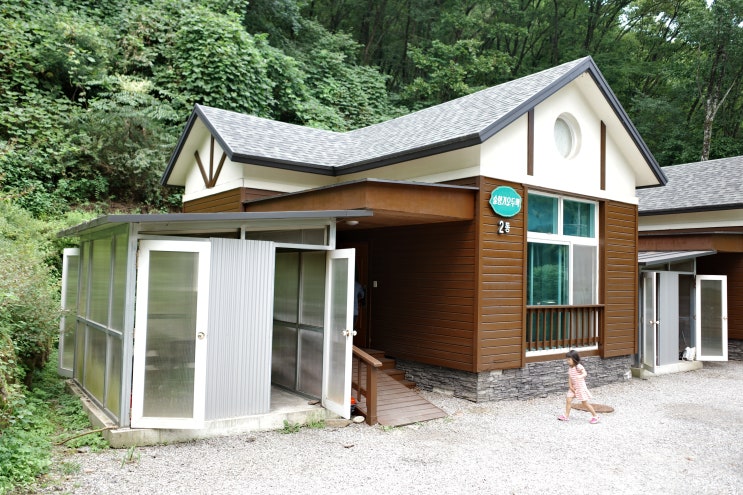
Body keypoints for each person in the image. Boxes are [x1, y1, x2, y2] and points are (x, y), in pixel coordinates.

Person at [558, 349, 599, 423]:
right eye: (567, 359)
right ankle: (566, 415)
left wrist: (580, 376)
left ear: (574, 359)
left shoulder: (578, 366)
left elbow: (585, 373)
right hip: (573, 387)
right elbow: (570, 377)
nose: (567, 361)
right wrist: (570, 386)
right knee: (568, 400)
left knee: (584, 403)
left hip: (580, 387)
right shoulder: (570, 367)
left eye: (569, 359)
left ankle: (595, 416)